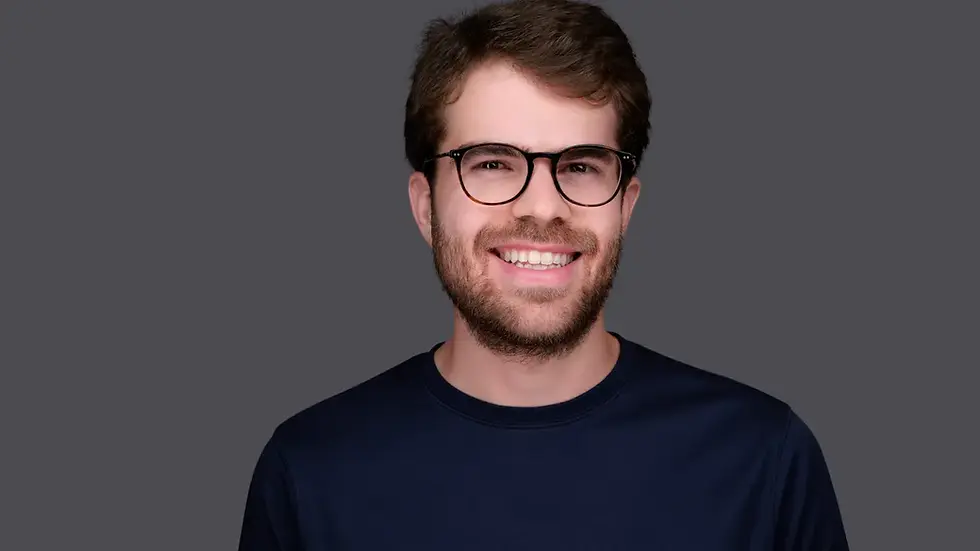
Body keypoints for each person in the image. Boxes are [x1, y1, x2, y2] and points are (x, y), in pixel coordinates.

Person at [237, 0, 850, 549]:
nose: (541, 206)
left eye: (581, 166)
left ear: (625, 207)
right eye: (493, 163)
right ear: (426, 207)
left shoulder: (763, 460)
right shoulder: (310, 472)